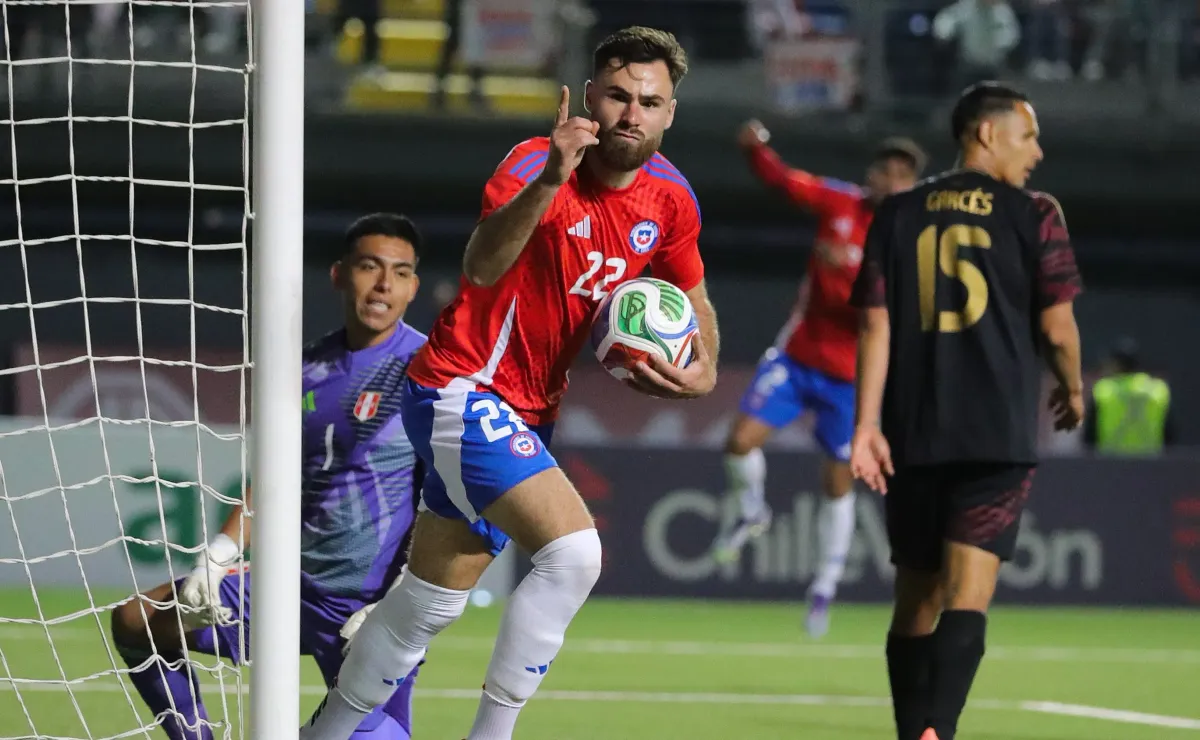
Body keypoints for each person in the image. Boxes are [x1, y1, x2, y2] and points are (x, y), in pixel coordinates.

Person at [300, 26, 719, 740]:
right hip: (461, 387)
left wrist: (703, 363)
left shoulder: (671, 201)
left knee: (428, 601)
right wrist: (553, 179)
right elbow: (483, 266)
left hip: (529, 412)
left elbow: (694, 292)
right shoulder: (533, 162)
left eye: (649, 101)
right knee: (575, 553)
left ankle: (326, 732)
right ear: (590, 96)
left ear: (669, 112)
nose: (631, 113)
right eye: (617, 95)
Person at [110, 213, 437, 740]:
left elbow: (441, 496)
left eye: (399, 273)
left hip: (368, 604)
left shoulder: (427, 369)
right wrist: (219, 556)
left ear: (413, 287)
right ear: (338, 274)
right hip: (285, 588)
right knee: (136, 622)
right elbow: (276, 479)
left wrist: (401, 600)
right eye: (369, 267)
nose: (383, 284)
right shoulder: (306, 368)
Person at [847, 81, 1084, 740]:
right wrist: (1072, 385)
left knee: (914, 598)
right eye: (1028, 134)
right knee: (967, 597)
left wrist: (865, 425)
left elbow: (874, 326)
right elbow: (1060, 329)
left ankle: (910, 733)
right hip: (997, 435)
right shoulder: (1035, 213)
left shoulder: (895, 214)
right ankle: (938, 732)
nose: (1036, 151)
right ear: (986, 132)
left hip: (912, 430)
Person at [713, 121, 926, 639]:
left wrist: (850, 273)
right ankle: (750, 509)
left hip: (851, 378)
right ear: (871, 174)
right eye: (884, 170)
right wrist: (754, 150)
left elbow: (882, 317)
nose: (890, 180)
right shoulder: (840, 202)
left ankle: (824, 585)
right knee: (739, 441)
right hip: (797, 356)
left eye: (902, 175)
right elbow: (786, 181)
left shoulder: (912, 245)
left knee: (838, 482)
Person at [1083, 337, 1177, 455]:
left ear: (1116, 364)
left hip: (1110, 466)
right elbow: (1170, 435)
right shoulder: (1158, 390)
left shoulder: (1103, 390)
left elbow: (1089, 437)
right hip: (1152, 466)